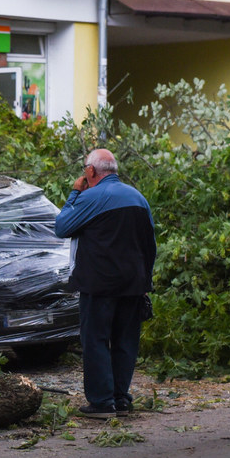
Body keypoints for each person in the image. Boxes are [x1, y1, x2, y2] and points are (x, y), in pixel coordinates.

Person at [55, 149, 156, 419]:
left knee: (96, 341)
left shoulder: (90, 197)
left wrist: (74, 193)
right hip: (134, 283)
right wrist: (147, 280)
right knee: (125, 342)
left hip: (99, 284)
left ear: (90, 172)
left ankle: (101, 403)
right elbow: (151, 243)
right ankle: (121, 399)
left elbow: (62, 227)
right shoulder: (138, 198)